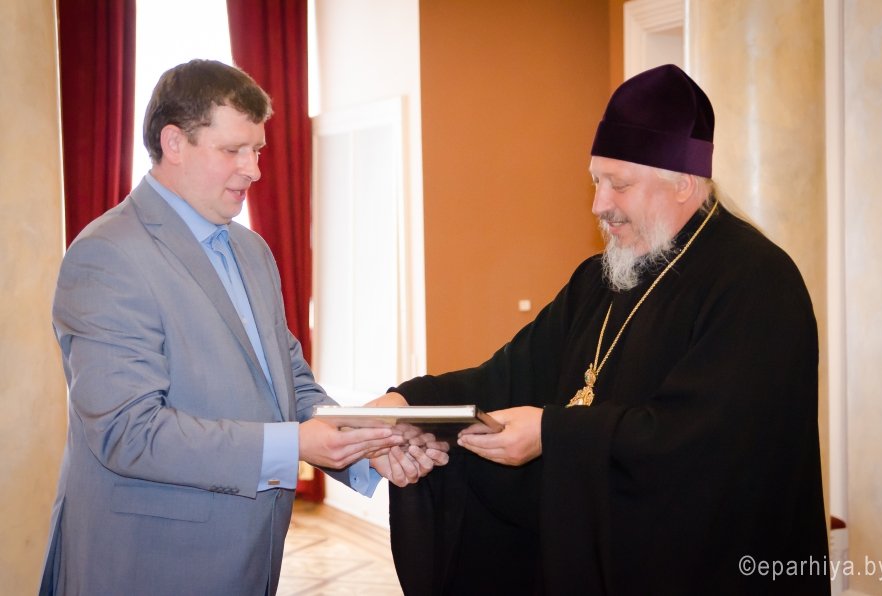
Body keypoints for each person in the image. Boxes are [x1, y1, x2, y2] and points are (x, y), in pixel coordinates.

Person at [377, 64, 829, 595]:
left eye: (619, 184)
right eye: (596, 180)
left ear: (683, 183)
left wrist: (552, 433)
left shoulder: (756, 281)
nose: (599, 205)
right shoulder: (599, 279)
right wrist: (406, 405)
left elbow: (708, 444)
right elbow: (507, 376)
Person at [40, 59, 446, 596]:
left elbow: (290, 384)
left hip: (251, 559)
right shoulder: (107, 255)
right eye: (233, 150)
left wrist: (364, 445)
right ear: (174, 142)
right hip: (148, 565)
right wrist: (295, 445)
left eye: (257, 150)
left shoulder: (251, 250)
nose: (253, 170)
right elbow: (128, 432)